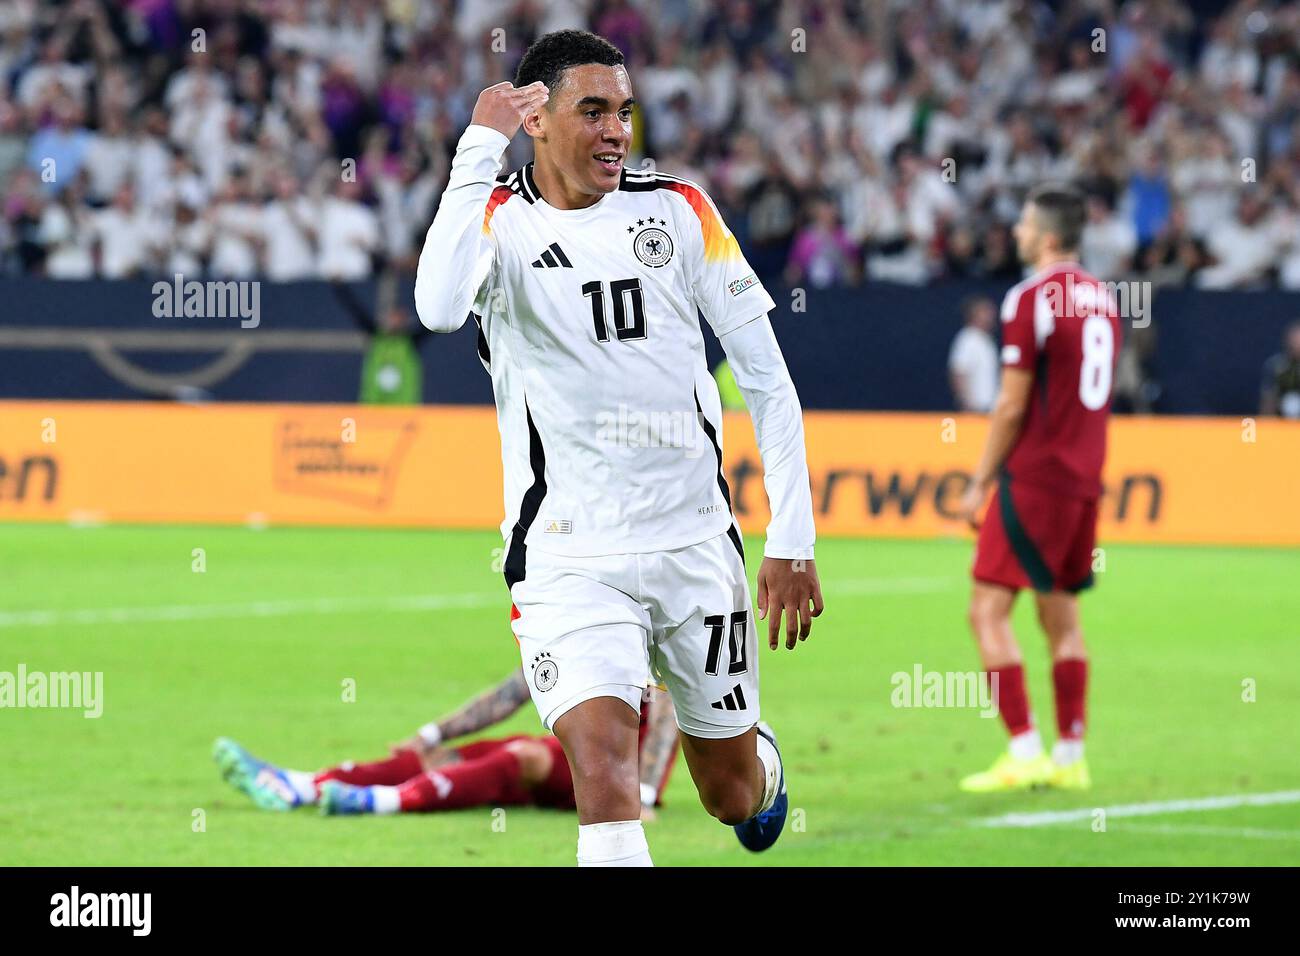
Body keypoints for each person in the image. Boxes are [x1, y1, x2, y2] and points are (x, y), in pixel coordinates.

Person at [414, 30, 822, 866]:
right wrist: (477, 146)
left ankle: (762, 766)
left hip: (696, 544)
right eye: (592, 110)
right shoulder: (496, 223)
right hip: (569, 556)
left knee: (729, 794)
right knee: (606, 778)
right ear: (537, 118)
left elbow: (769, 382)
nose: (616, 131)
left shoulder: (679, 210)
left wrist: (793, 538)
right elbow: (436, 307)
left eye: (624, 112)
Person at [957, 183, 1122, 793]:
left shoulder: (1031, 299)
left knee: (987, 611)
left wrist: (979, 484)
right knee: (1063, 617)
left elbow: (1009, 405)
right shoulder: (1104, 300)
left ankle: (1025, 748)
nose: (1018, 233)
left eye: (1025, 224)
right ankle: (1071, 753)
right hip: (1084, 481)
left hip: (1034, 478)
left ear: (1048, 237)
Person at [214, 665, 680, 818]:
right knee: (440, 756)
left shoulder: (643, 633)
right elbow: (511, 693)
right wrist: (433, 733)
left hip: (615, 774)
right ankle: (303, 785)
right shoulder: (580, 621)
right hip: (570, 752)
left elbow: (666, 715)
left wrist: (641, 798)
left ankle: (379, 801)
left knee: (525, 756)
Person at [947, 295, 999, 413]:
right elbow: (958, 373)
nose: (991, 316)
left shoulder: (987, 340)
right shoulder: (967, 338)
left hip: (990, 408)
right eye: (985, 312)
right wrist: (967, 403)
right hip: (975, 410)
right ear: (973, 314)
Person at [1259, 320, 1300, 419]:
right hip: (1281, 425)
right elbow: (1268, 400)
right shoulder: (1276, 366)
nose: (1297, 344)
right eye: (1295, 339)